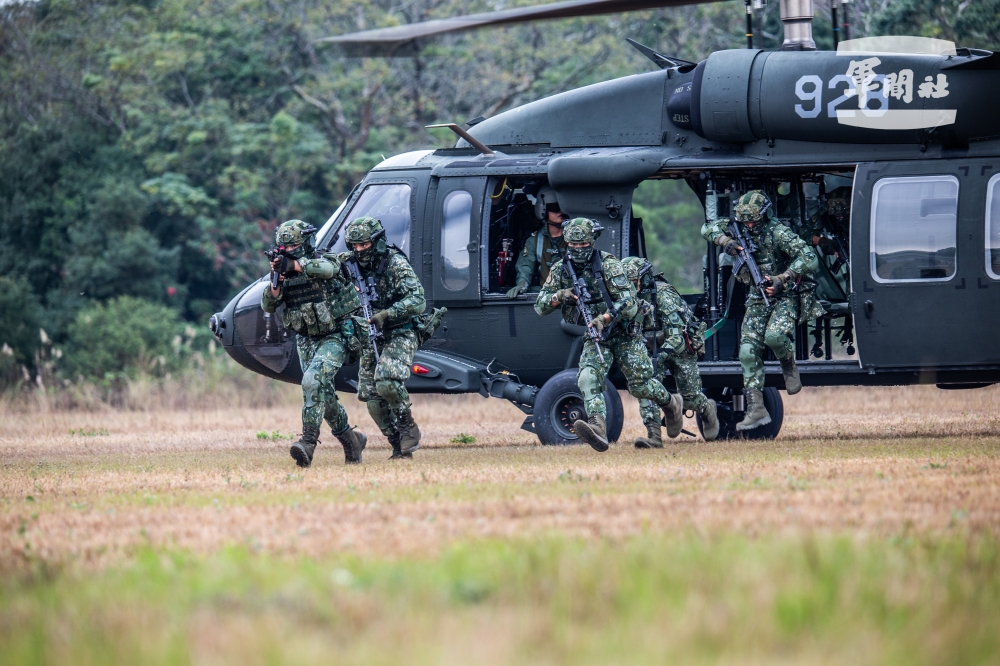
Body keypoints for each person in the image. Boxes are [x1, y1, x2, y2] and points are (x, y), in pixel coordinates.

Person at [534, 218, 683, 451]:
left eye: (584, 245)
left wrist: (604, 319)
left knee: (640, 387)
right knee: (587, 377)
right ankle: (597, 427)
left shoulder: (609, 265)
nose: (579, 250)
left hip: (624, 333)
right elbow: (540, 306)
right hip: (597, 337)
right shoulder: (560, 269)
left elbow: (630, 303)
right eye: (574, 246)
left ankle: (671, 403)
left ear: (592, 241)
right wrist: (560, 295)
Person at [702, 191, 822, 431]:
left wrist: (783, 277)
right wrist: (726, 242)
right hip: (757, 296)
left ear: (764, 215)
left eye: (753, 220)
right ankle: (756, 408)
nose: (748, 225)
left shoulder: (778, 233)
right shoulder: (738, 227)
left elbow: (809, 257)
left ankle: (788, 363)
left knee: (774, 337)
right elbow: (707, 228)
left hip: (784, 295)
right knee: (746, 351)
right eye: (745, 220)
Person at [261, 219, 367, 467]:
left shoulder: (325, 258)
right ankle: (352, 441)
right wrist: (277, 278)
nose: (289, 250)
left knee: (312, 381)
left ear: (307, 242)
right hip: (307, 338)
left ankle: (307, 442)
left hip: (337, 333)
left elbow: (327, 270)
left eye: (295, 244)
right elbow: (268, 304)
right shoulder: (283, 270)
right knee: (323, 393)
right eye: (285, 247)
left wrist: (296, 265)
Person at [343, 216, 427, 460]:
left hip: (401, 330)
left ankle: (407, 425)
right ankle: (399, 446)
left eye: (364, 245)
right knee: (371, 398)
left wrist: (387, 314)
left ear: (377, 242)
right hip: (372, 333)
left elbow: (418, 300)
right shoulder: (349, 264)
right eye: (355, 246)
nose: (359, 251)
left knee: (387, 382)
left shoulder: (395, 263)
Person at [622, 257, 719, 446]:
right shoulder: (628, 298)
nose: (630, 287)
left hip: (680, 347)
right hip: (653, 347)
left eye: (634, 283)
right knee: (646, 387)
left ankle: (707, 409)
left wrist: (663, 354)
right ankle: (654, 436)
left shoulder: (664, 296)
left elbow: (677, 335)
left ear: (644, 279)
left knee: (691, 399)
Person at [506, 186, 568, 298]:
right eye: (555, 207)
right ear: (542, 209)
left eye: (564, 206)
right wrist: (522, 284)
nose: (561, 211)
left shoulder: (576, 237)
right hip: (548, 294)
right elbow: (525, 266)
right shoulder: (535, 240)